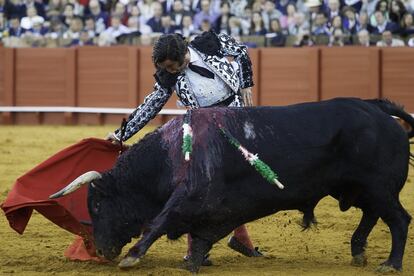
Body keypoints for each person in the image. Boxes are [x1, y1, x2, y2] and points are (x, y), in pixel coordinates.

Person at [106, 31, 261, 265]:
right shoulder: (169, 76)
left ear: (183, 56)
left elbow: (240, 51)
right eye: (164, 67)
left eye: (170, 66)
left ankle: (240, 239)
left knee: (235, 181)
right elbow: (151, 105)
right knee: (198, 185)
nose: (168, 71)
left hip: (236, 117)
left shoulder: (209, 43)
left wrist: (247, 84)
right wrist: (121, 134)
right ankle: (195, 251)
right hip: (203, 128)